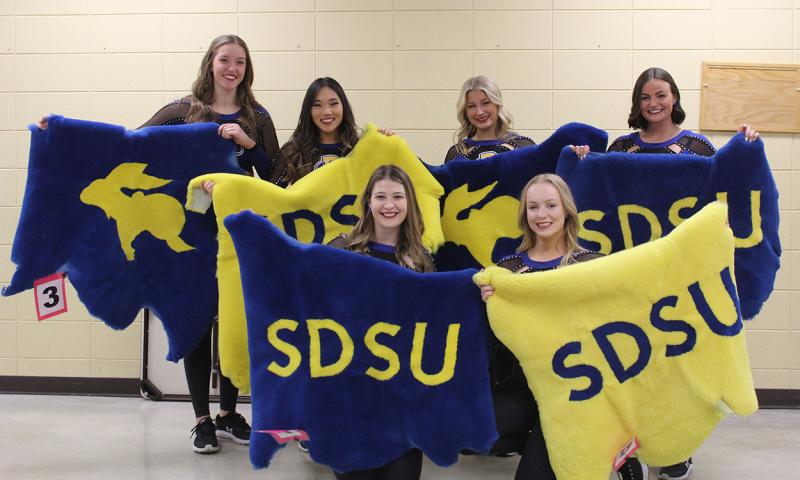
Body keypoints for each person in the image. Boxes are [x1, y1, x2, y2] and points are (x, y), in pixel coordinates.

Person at [571, 67, 759, 480]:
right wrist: (583, 161)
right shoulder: (622, 146)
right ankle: (631, 448)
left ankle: (674, 448)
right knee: (629, 363)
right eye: (645, 97)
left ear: (675, 98)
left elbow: (721, 194)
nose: (653, 104)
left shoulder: (696, 145)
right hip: (629, 276)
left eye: (661, 95)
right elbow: (597, 195)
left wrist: (744, 148)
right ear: (636, 103)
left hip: (679, 277)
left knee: (674, 366)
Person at [139, 34, 277, 454]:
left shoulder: (257, 116)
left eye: (240, 61)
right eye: (224, 60)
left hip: (236, 236)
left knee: (234, 322)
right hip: (190, 238)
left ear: (246, 68)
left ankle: (229, 413)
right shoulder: (184, 111)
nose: (231, 68)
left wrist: (247, 144)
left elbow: (274, 176)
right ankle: (201, 419)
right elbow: (133, 143)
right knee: (198, 324)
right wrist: (63, 134)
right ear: (210, 63)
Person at [477, 173, 629, 480]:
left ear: (566, 211)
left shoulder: (593, 264)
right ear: (524, 214)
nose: (542, 215)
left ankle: (614, 449)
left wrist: (708, 238)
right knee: (478, 428)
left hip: (575, 389)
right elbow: (490, 336)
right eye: (533, 207)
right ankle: (535, 436)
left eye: (550, 205)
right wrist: (486, 301)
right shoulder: (507, 269)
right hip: (524, 386)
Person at [326, 164, 434, 480]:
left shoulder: (421, 258)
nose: (389, 205)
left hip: (401, 400)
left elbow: (431, 323)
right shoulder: (341, 249)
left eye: (398, 196)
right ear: (368, 202)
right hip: (349, 396)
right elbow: (317, 314)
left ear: (409, 202)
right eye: (381, 196)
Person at [280, 77, 395, 185]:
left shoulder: (360, 147)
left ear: (344, 106)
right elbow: (273, 189)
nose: (327, 112)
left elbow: (390, 181)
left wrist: (386, 144)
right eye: (317, 105)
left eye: (333, 103)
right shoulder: (294, 152)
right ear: (308, 111)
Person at [444, 75, 534, 163]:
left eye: (486, 103)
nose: (479, 112)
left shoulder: (523, 147)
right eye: (471, 106)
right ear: (465, 111)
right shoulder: (457, 153)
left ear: (497, 104)